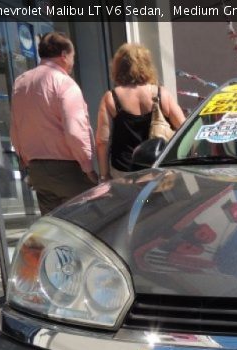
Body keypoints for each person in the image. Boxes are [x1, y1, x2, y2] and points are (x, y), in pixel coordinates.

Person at [10, 31, 97, 215]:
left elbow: (15, 127)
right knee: (84, 222)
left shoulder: (21, 83)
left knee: (54, 225)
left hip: (37, 169)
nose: (73, 62)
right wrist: (88, 167)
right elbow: (75, 131)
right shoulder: (65, 83)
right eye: (73, 56)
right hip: (69, 169)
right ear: (64, 55)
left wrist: (25, 159)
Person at [95, 43, 185, 180]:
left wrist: (104, 174)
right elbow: (183, 128)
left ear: (118, 67)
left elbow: (102, 141)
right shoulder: (161, 94)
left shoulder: (111, 98)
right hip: (157, 169)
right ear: (147, 65)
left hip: (124, 170)